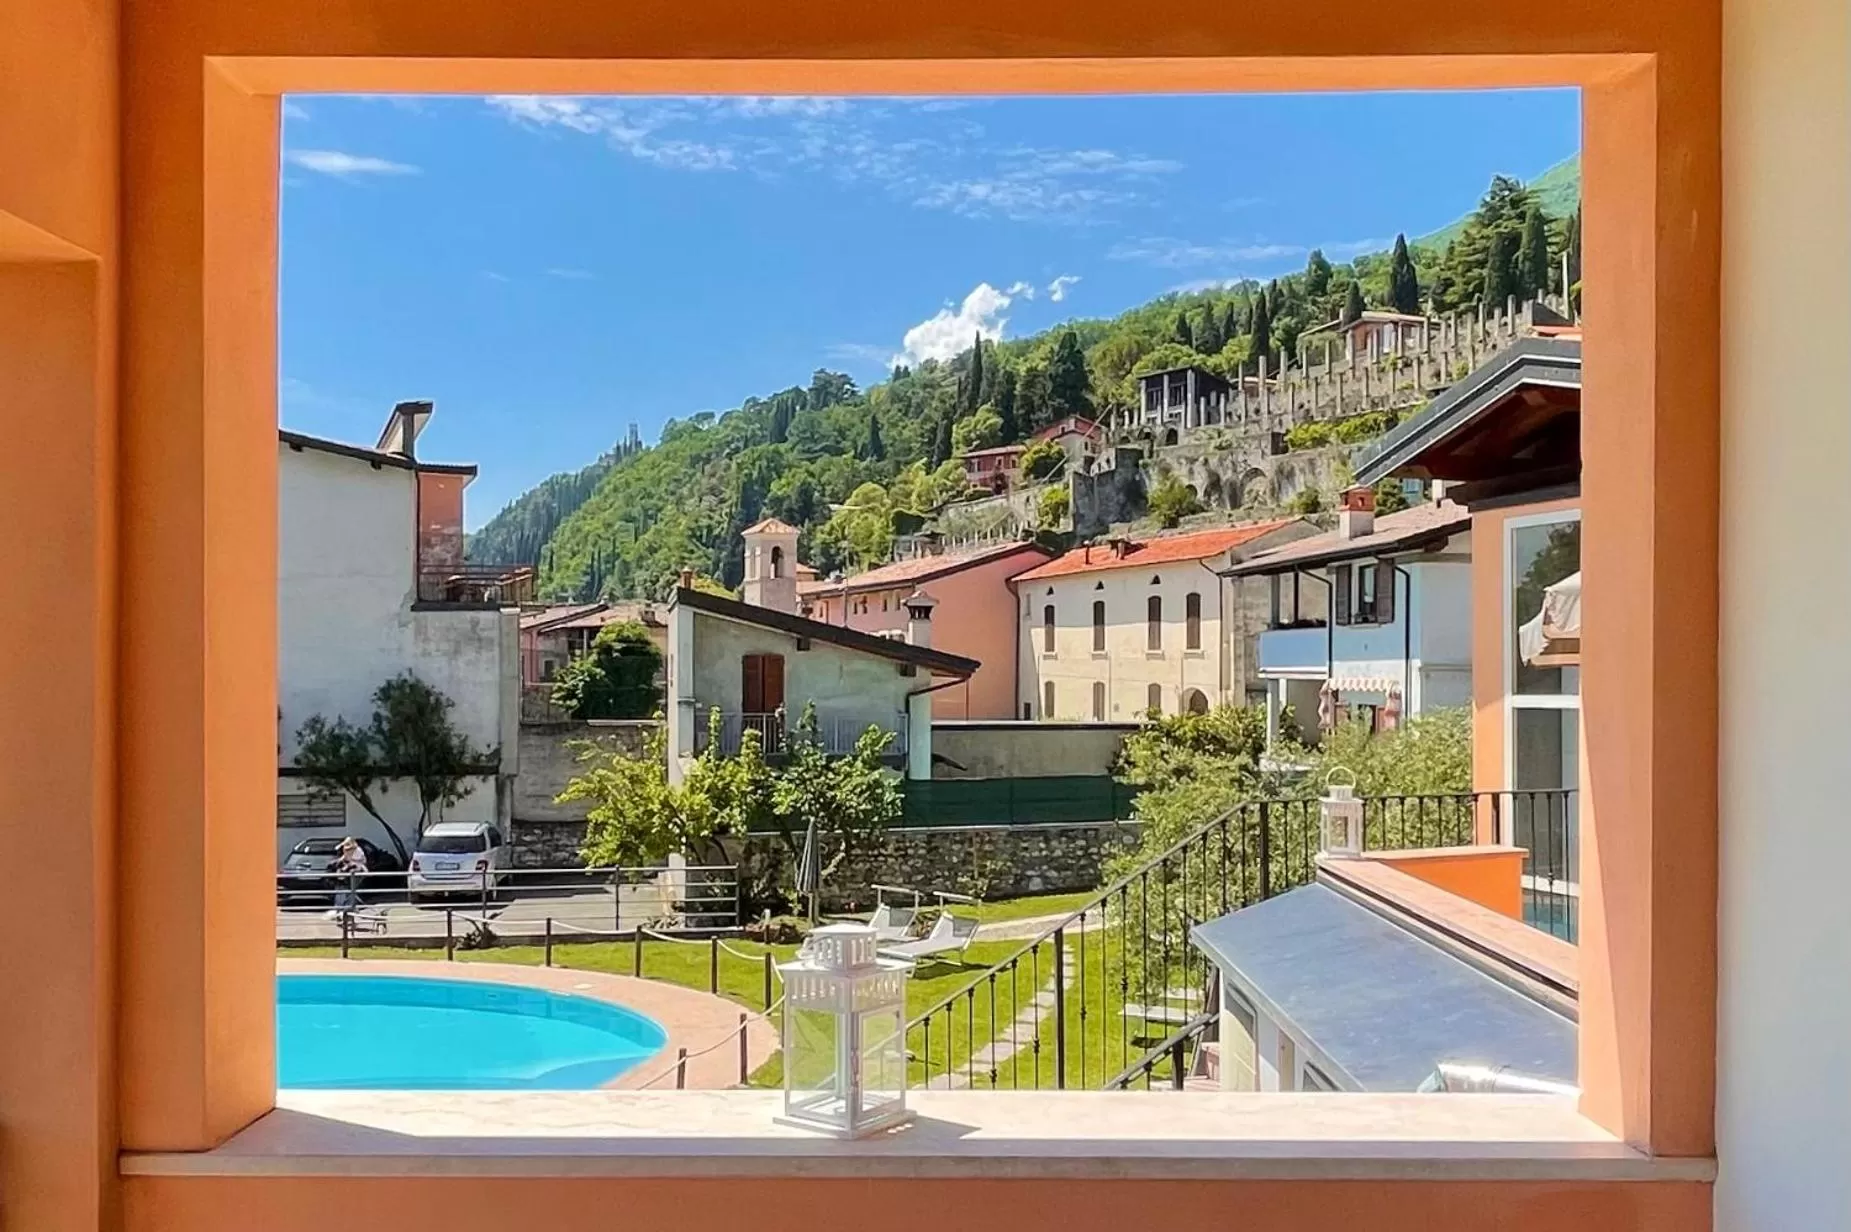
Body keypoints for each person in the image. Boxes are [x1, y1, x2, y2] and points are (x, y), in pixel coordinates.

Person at [331, 836, 368, 912]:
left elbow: (357, 863)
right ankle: (346, 907)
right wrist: (339, 862)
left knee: (351, 889)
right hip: (349, 872)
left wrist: (347, 866)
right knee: (347, 889)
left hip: (358, 871)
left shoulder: (358, 851)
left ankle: (350, 907)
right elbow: (344, 858)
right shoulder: (347, 850)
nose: (346, 850)